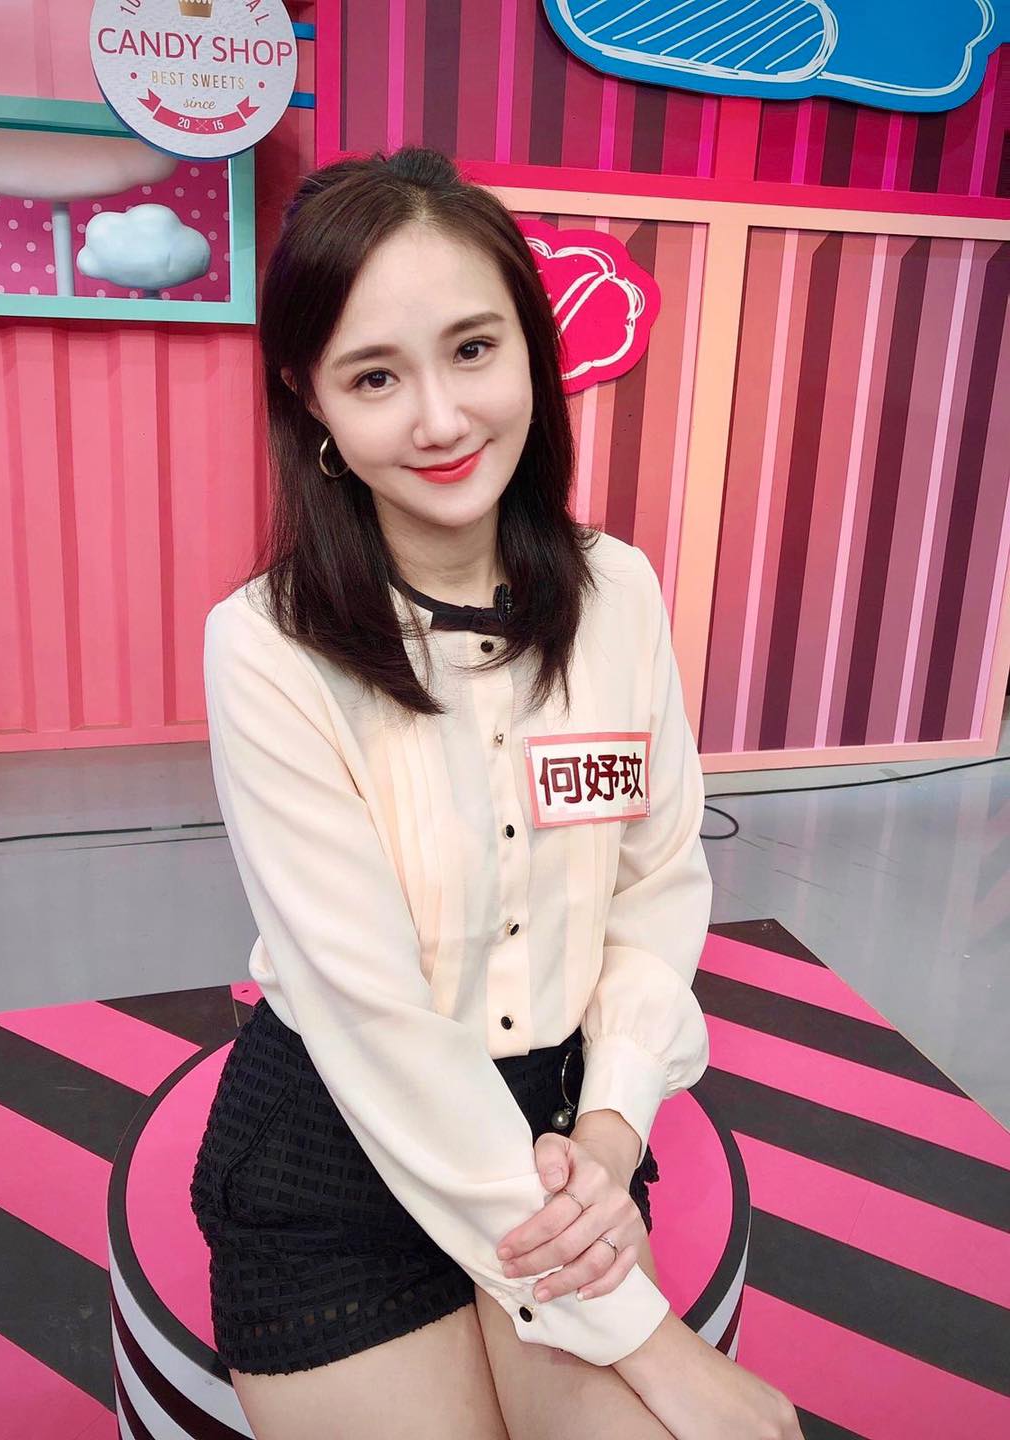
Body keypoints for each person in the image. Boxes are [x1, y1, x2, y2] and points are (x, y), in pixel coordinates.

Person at [189, 145, 802, 1440]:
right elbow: (372, 1019)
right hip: (341, 1153)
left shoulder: (619, 594)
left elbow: (656, 888)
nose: (440, 419)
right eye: (375, 376)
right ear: (310, 399)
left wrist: (615, 1131)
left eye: (473, 349)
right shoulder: (266, 646)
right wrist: (652, 1343)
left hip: (569, 1133)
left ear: (532, 347)